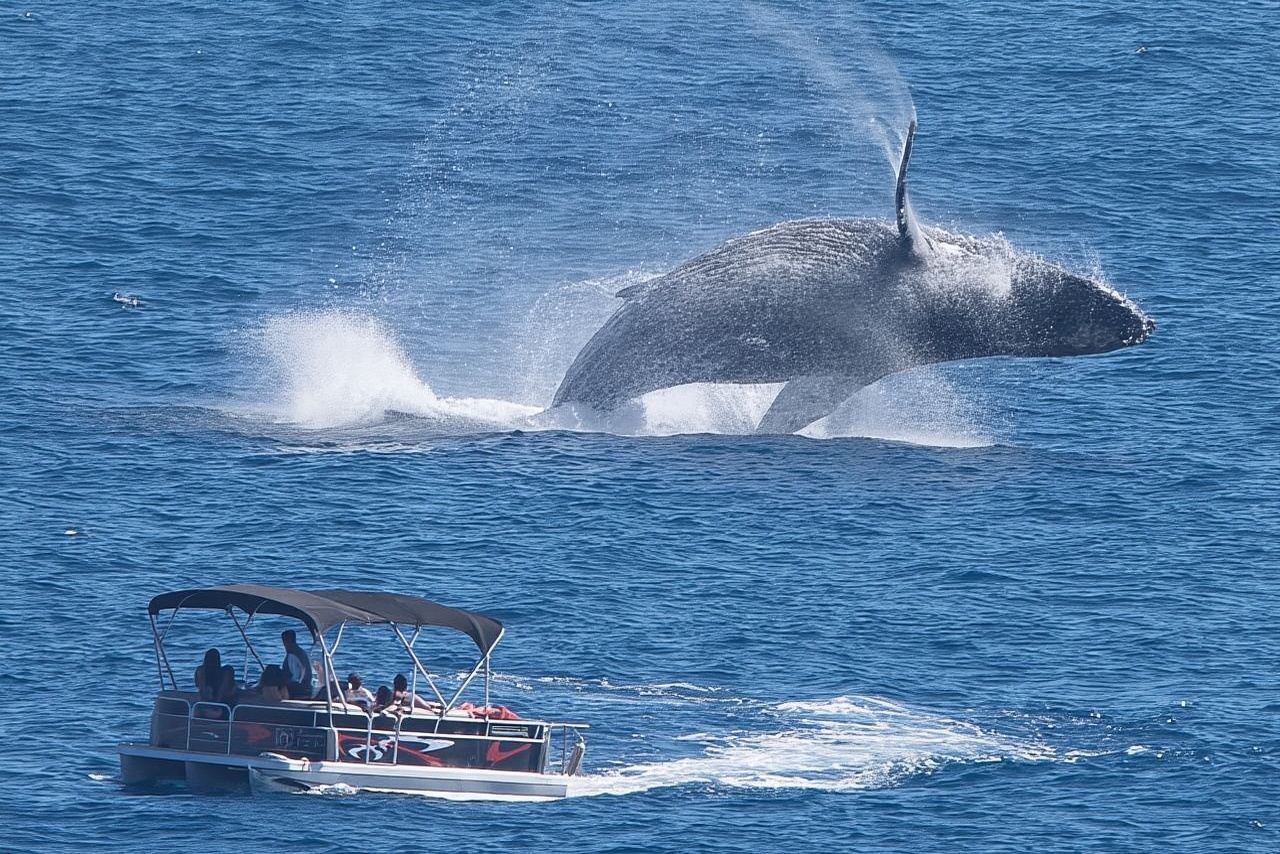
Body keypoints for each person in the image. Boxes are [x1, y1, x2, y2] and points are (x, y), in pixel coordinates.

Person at [280, 629, 313, 699]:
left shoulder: (292, 655)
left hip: (299, 689)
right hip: (306, 686)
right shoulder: (301, 652)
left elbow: (296, 678)